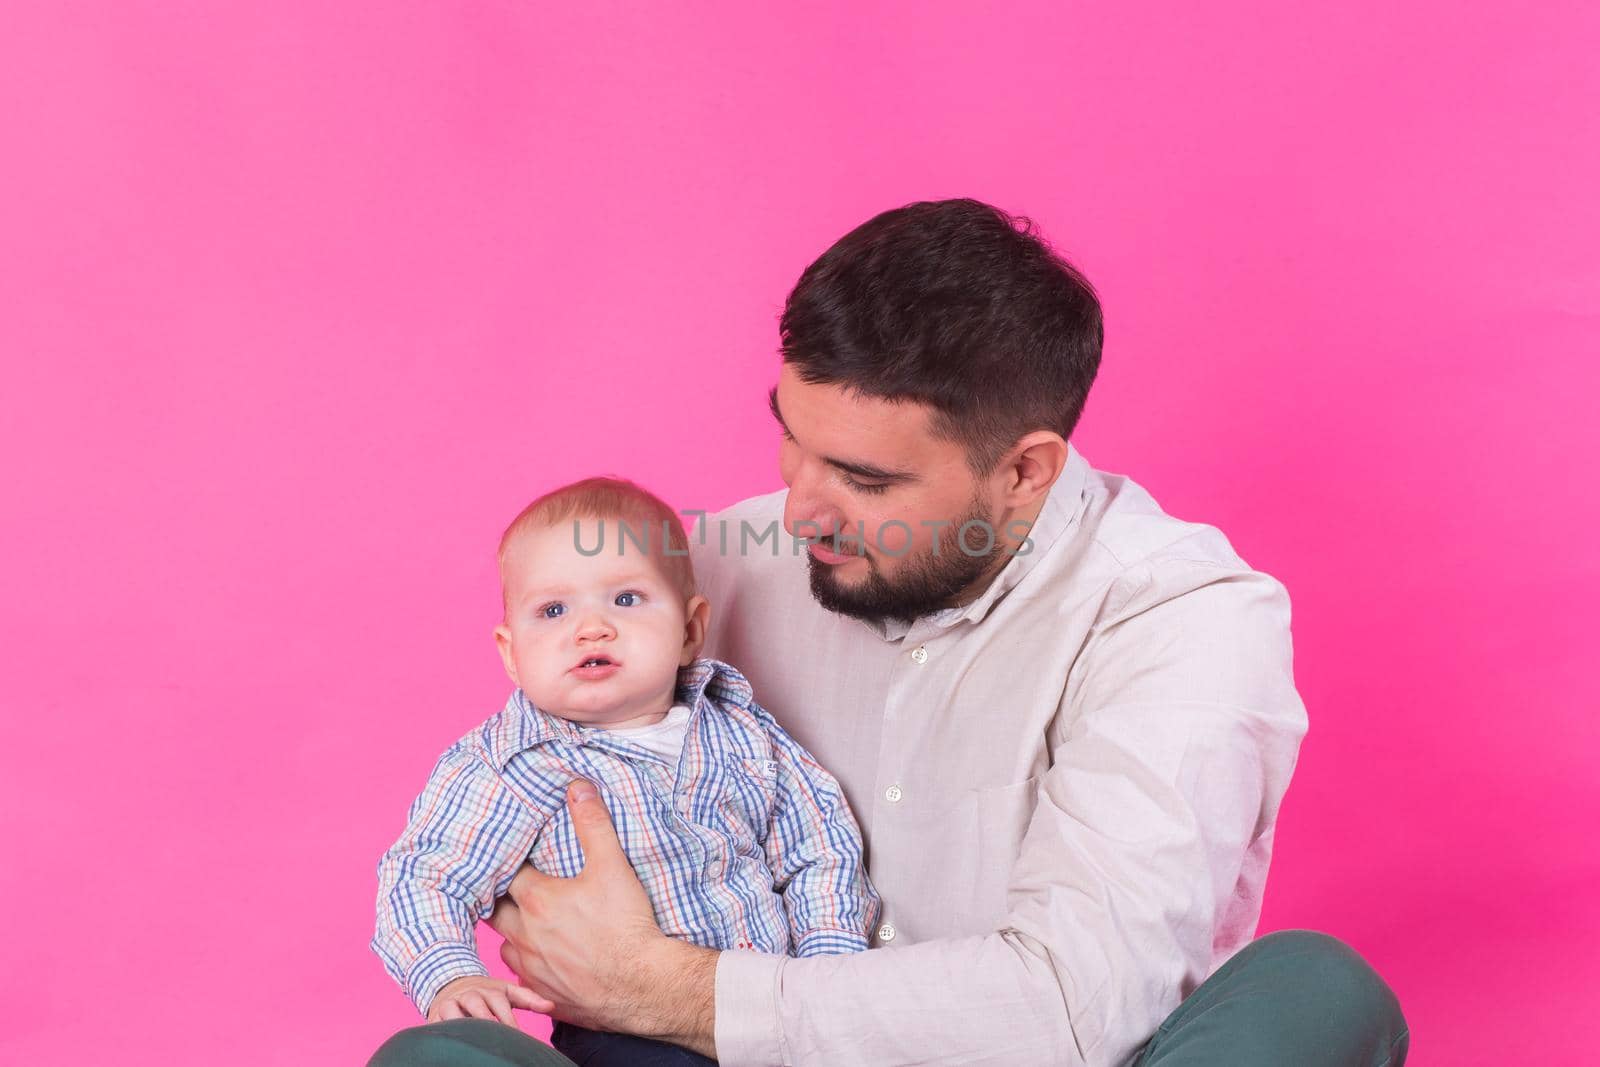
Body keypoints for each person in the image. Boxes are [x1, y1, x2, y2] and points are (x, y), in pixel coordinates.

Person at [370, 199, 1409, 1066]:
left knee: (1315, 990)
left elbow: (1072, 1003)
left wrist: (673, 987)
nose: (801, 512)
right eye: (790, 434)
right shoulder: (702, 569)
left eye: (865, 479)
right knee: (443, 1062)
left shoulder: (1181, 616)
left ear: (1024, 470)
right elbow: (520, 781)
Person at [372, 477, 880, 1067]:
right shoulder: (513, 764)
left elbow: (822, 851)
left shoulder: (745, 732)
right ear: (511, 654)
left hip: (763, 1014)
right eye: (553, 609)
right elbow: (426, 875)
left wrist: (824, 971)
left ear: (690, 631)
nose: (592, 628)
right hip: (620, 1034)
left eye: (626, 599)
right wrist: (449, 976)